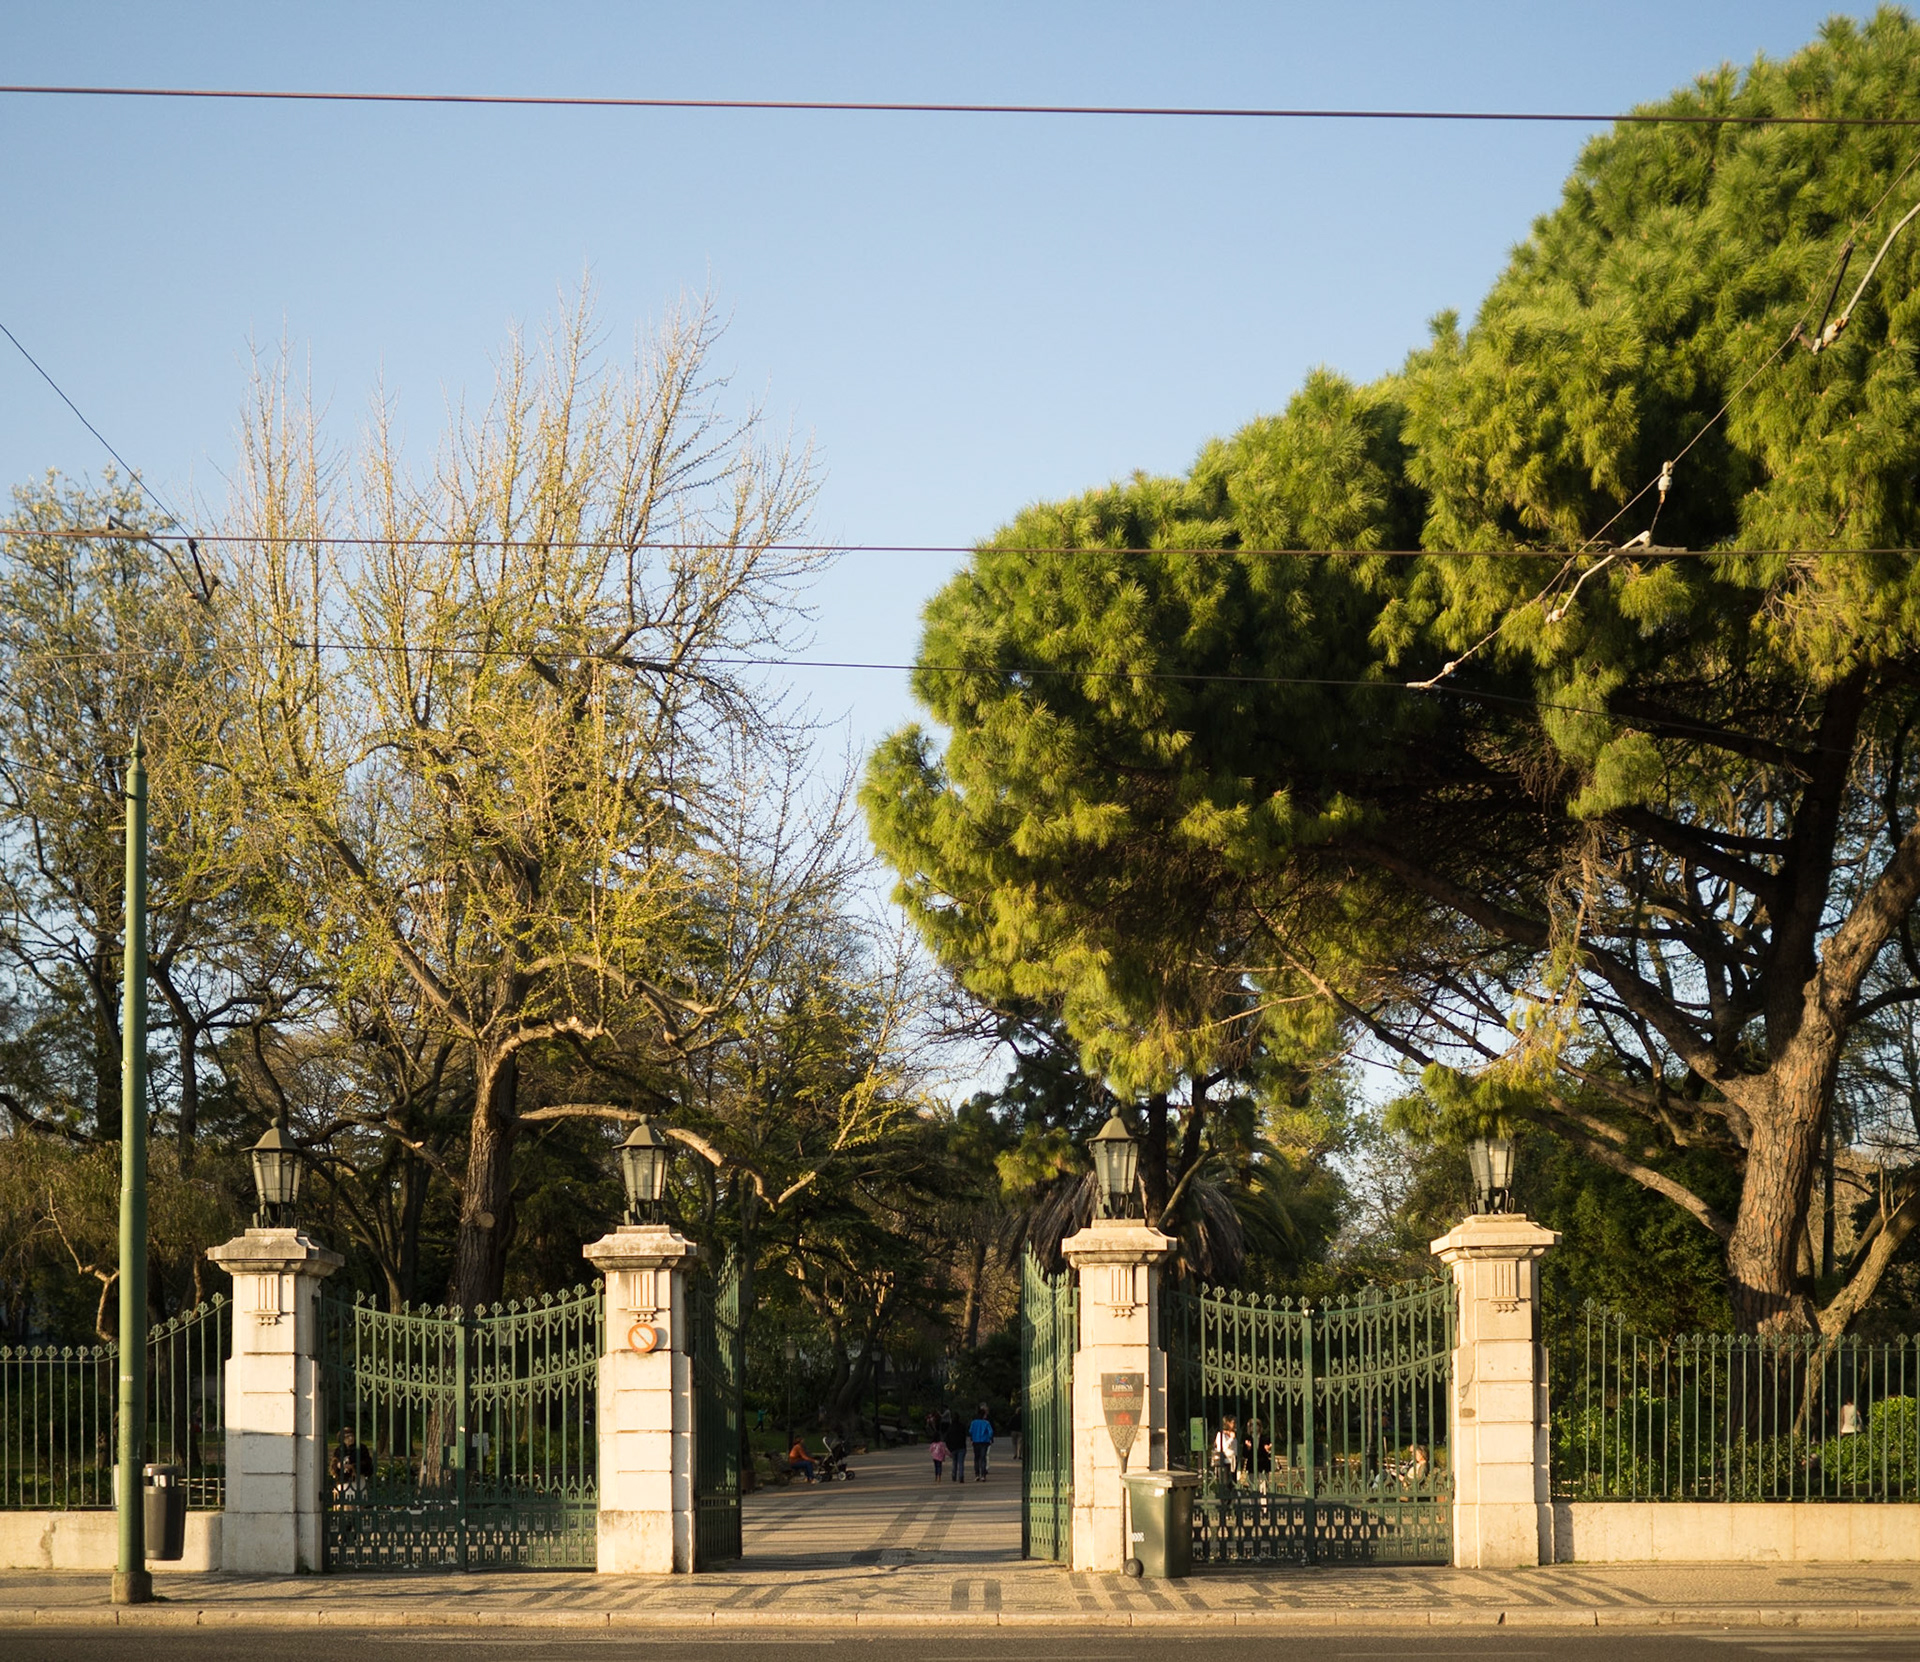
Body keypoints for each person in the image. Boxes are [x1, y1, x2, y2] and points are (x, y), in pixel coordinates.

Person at [331, 1426, 373, 1502]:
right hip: (344, 1480)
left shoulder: (361, 1448)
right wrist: (338, 1465)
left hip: (358, 1479)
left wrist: (353, 1466)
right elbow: (333, 1464)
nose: (350, 1438)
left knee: (359, 1501)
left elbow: (368, 1463)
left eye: (352, 1436)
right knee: (345, 1502)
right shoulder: (339, 1450)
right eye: (347, 1436)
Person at [968, 1406, 994, 1480]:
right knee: (983, 1458)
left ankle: (977, 1474)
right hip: (984, 1442)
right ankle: (983, 1474)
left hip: (976, 1441)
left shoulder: (973, 1422)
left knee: (976, 1458)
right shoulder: (986, 1423)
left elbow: (970, 1431)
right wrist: (989, 1438)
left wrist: (972, 1438)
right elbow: (991, 1432)